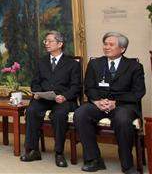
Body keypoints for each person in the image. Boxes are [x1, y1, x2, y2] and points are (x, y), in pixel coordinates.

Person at [74, 32, 146, 174]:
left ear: (122, 49)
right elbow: (89, 87)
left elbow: (138, 93)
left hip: (123, 105)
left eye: (111, 44)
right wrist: (97, 101)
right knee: (81, 113)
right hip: (99, 103)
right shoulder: (95, 64)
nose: (106, 47)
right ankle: (94, 159)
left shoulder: (134, 66)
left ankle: (127, 165)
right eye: (105, 44)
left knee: (122, 119)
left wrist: (115, 102)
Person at [20, 31, 82, 167]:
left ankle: (59, 153)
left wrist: (65, 96)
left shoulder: (72, 63)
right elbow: (35, 82)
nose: (46, 44)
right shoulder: (41, 62)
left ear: (60, 44)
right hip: (43, 97)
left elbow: (76, 87)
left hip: (63, 100)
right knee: (31, 111)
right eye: (45, 41)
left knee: (59, 115)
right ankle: (33, 150)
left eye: (50, 41)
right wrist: (37, 92)